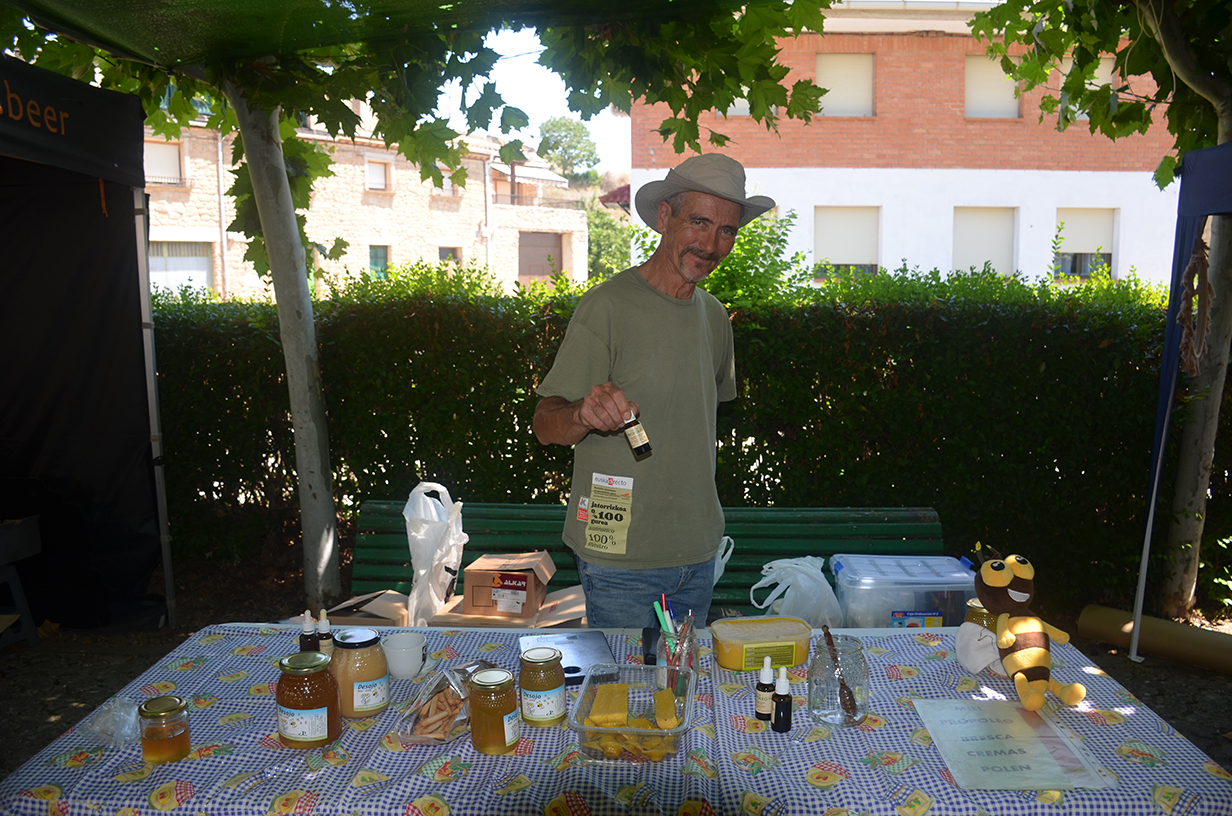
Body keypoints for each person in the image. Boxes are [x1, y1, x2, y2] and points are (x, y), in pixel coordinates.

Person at [532, 153, 775, 629]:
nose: (711, 244)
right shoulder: (607, 306)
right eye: (699, 222)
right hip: (619, 560)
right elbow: (545, 424)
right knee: (625, 679)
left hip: (699, 553)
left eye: (726, 230)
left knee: (682, 676)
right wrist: (581, 414)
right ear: (664, 217)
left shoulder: (714, 317)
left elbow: (694, 423)